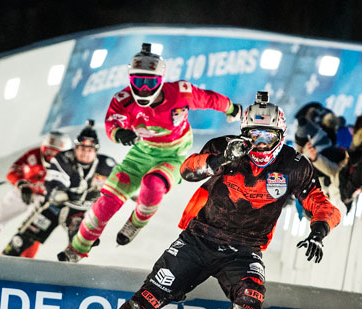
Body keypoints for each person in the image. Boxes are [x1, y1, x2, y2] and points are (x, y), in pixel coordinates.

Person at [68, 92, 341, 309]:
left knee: (252, 295)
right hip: (199, 238)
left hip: (244, 250)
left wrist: (319, 231)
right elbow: (187, 170)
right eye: (254, 136)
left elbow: (320, 203)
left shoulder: (295, 165)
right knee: (152, 293)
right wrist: (220, 159)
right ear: (243, 134)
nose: (260, 144)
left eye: (267, 136)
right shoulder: (224, 147)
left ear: (280, 135)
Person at [58, 43, 242, 262]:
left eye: (150, 82)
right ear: (130, 80)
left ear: (161, 80)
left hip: (174, 155)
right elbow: (112, 123)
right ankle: (78, 248)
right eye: (138, 81)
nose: (144, 89)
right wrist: (119, 134)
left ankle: (136, 222)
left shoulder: (181, 93)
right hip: (141, 153)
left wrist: (233, 109)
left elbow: (210, 99)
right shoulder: (124, 100)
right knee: (105, 203)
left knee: (153, 185)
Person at [2, 122, 115, 257]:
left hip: (80, 210)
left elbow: (123, 184)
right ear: (75, 148)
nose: (85, 153)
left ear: (96, 151)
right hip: (54, 207)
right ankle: (5, 259)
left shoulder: (107, 164)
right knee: (22, 240)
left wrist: (132, 195)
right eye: (82, 149)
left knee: (79, 232)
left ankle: (74, 253)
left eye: (89, 150)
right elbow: (56, 189)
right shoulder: (63, 158)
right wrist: (78, 195)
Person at [0, 131, 72, 256]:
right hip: (21, 193)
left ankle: (25, 264)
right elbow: (13, 171)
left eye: (56, 153)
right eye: (48, 151)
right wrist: (22, 184)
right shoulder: (33, 156)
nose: (50, 156)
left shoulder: (70, 165)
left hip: (44, 200)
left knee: (35, 232)